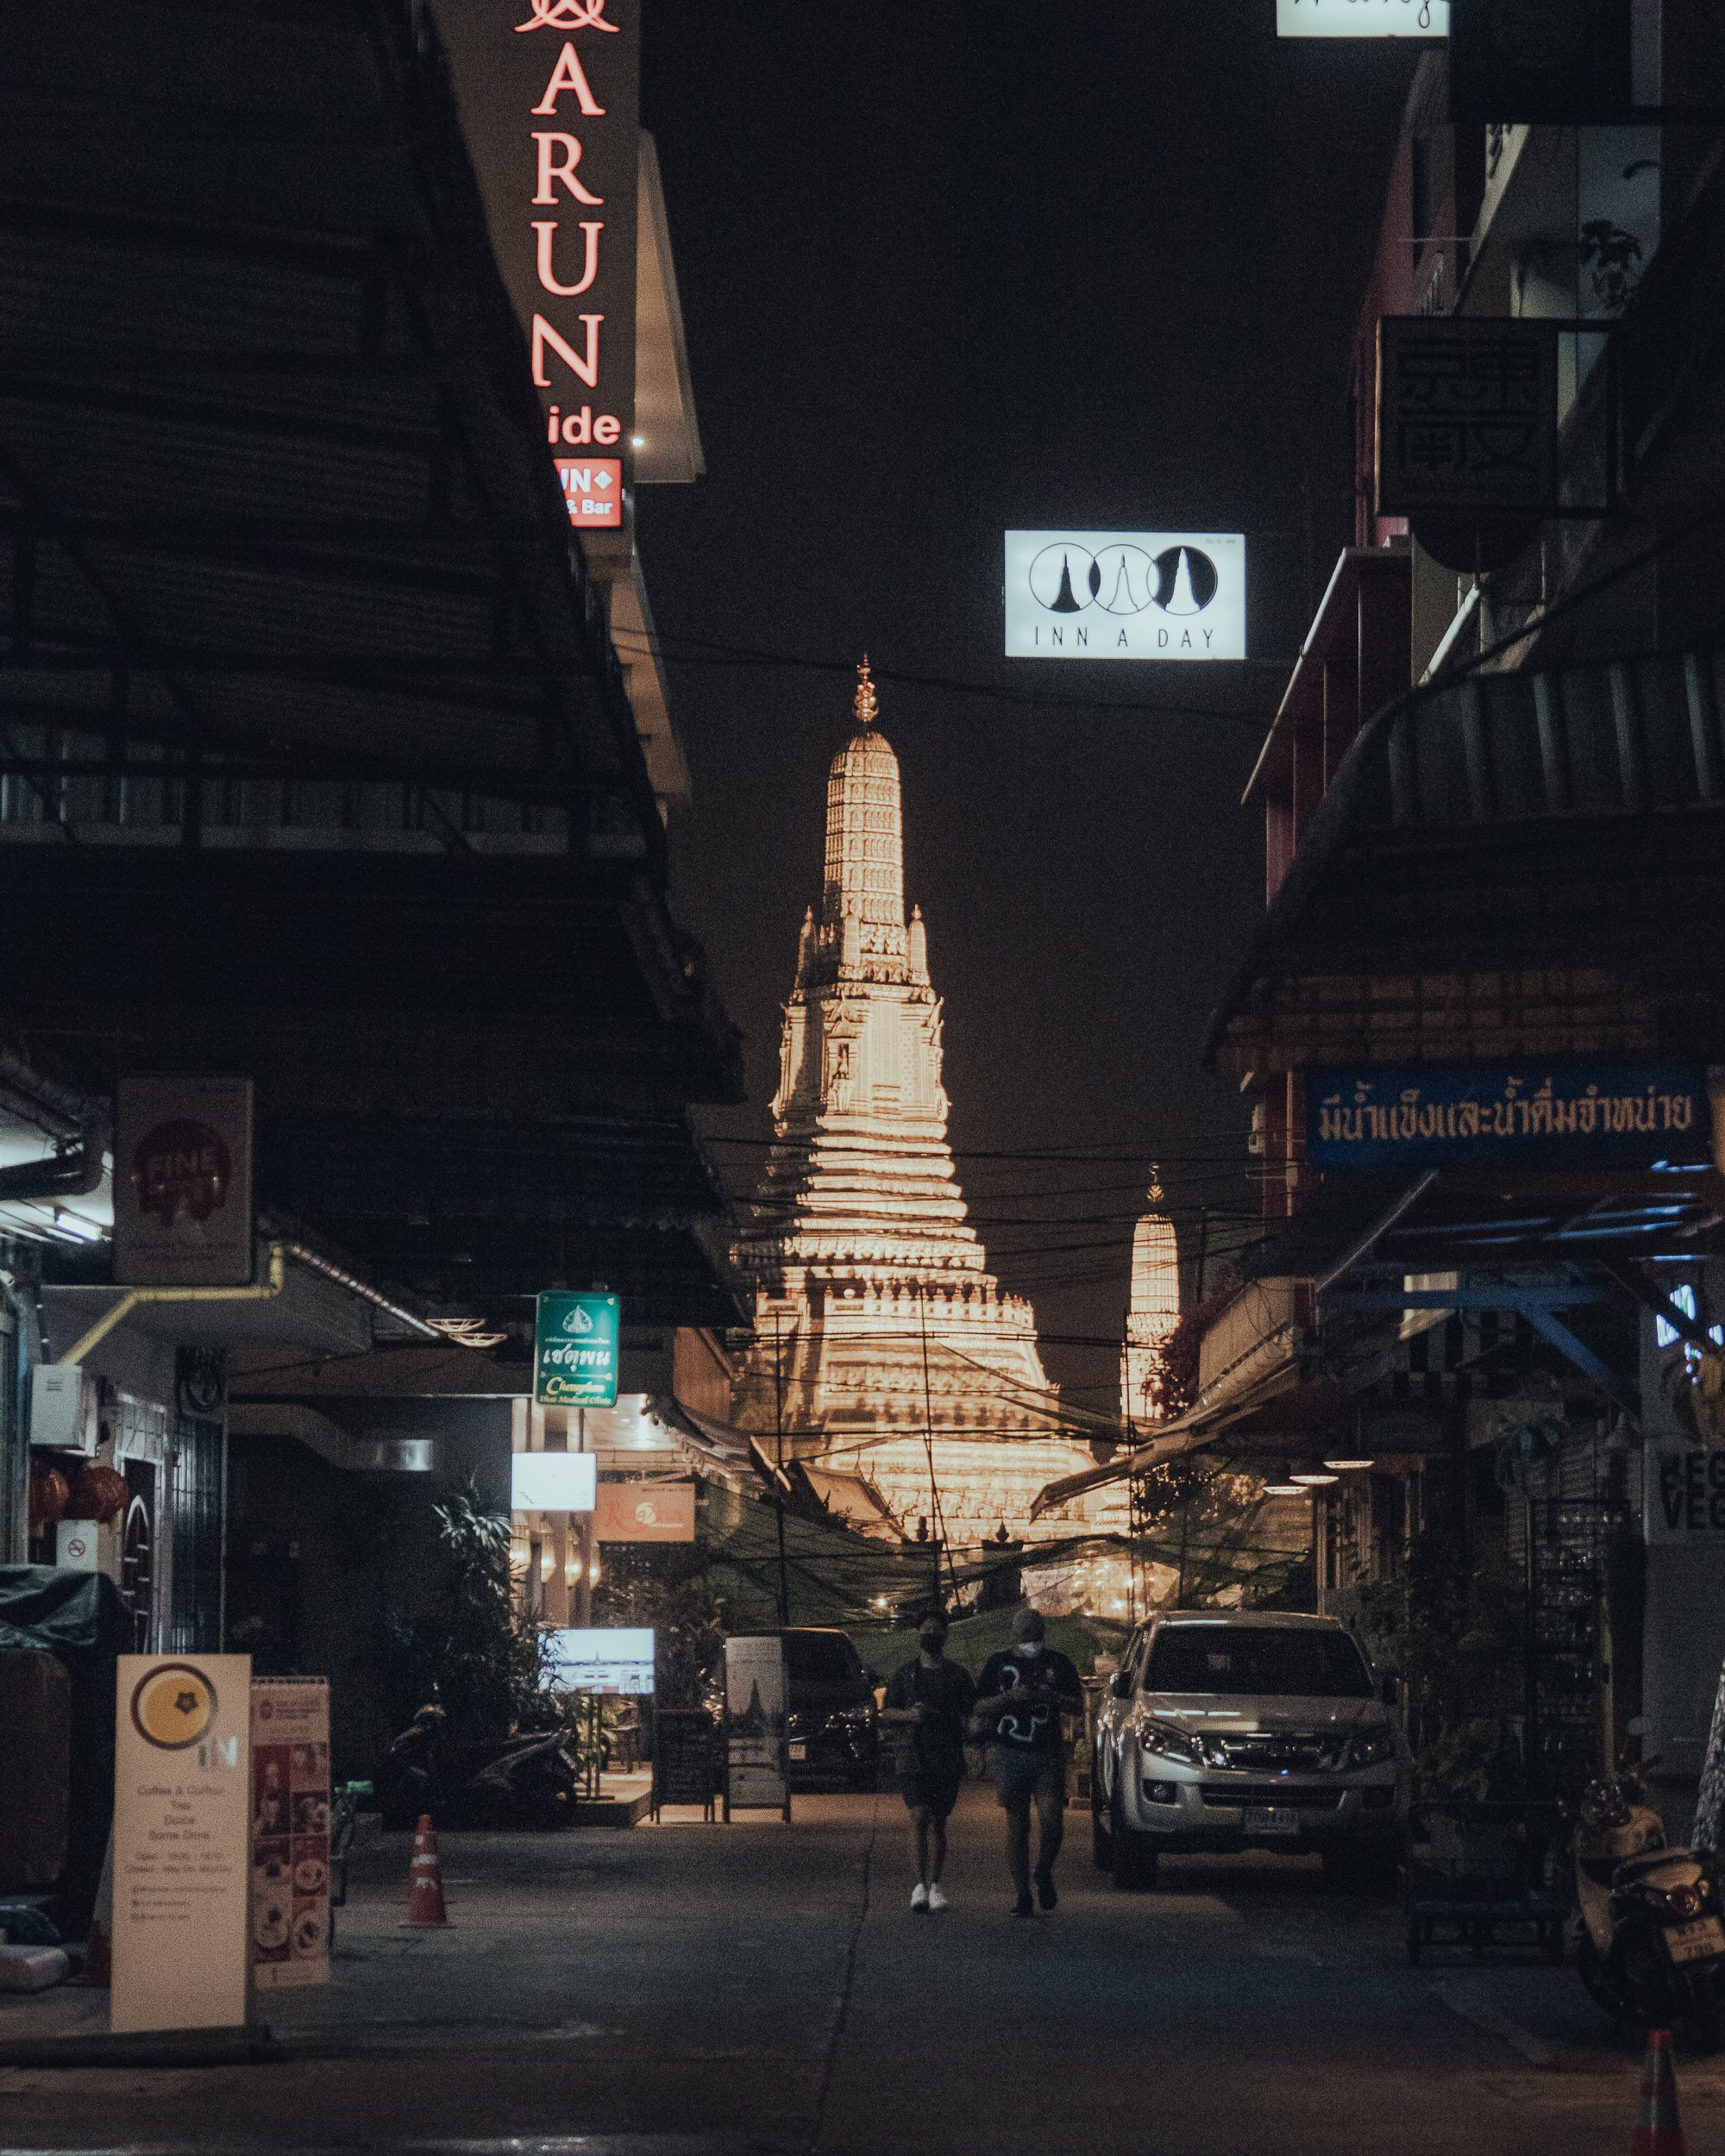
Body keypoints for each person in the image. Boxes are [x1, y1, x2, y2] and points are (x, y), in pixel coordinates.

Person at [973, 1607, 1083, 1917]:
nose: (1030, 1639)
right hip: (1009, 1752)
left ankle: (1043, 1869)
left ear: (1042, 1633)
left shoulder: (1058, 1663)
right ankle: (1022, 1894)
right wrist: (1009, 1698)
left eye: (1034, 1633)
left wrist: (1053, 1697)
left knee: (1052, 1820)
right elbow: (980, 1706)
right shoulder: (998, 1664)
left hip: (1047, 1751)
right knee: (1017, 1824)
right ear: (1015, 1634)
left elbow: (1078, 1705)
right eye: (1025, 1634)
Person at [880, 1612, 975, 1912]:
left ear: (945, 1635)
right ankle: (919, 1885)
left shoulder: (957, 1675)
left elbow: (972, 1714)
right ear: (918, 1634)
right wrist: (910, 1716)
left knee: (938, 1821)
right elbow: (887, 1712)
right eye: (926, 1629)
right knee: (919, 1817)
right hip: (912, 1756)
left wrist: (973, 1743)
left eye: (936, 1630)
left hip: (945, 1756)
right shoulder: (905, 1674)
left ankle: (935, 1885)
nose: (931, 1634)